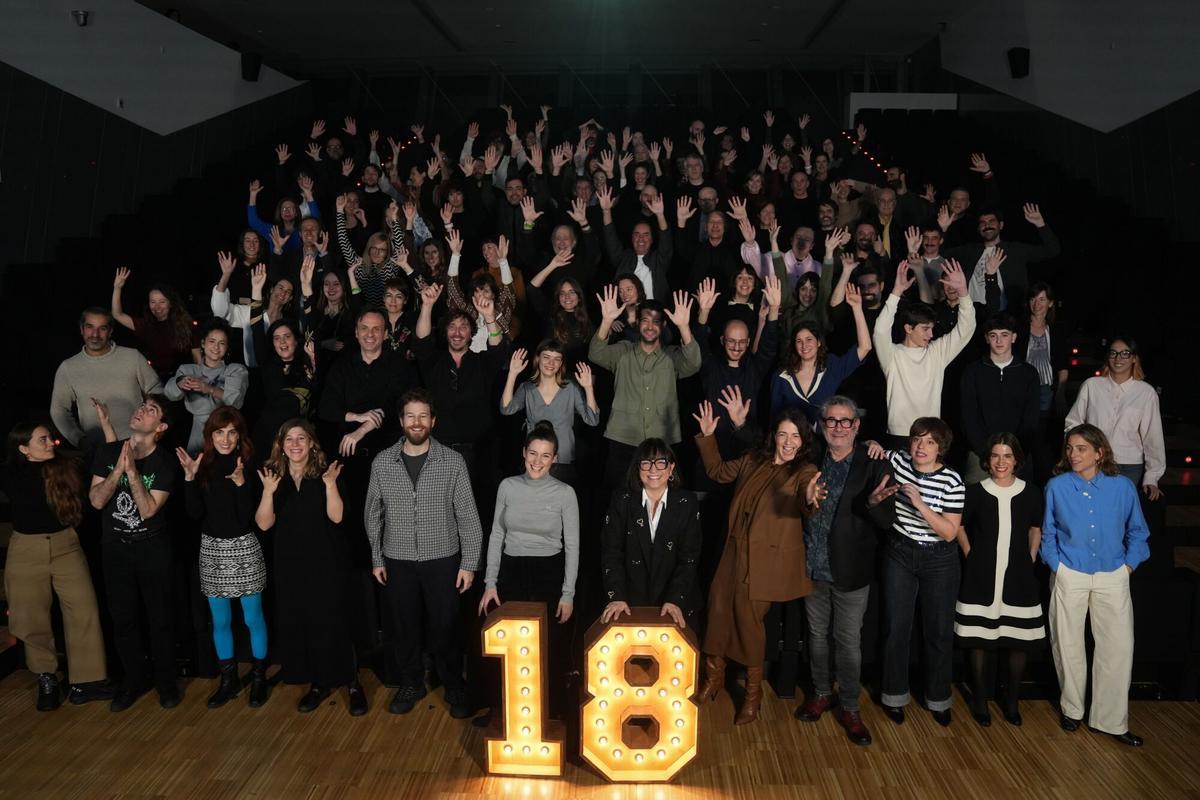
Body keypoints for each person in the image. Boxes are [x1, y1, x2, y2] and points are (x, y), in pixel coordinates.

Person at [692, 403, 820, 725]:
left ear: (804, 441)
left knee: (749, 622)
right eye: (783, 434)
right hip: (732, 551)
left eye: (795, 436)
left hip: (766, 561)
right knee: (718, 610)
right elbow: (718, 472)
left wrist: (813, 494)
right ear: (773, 437)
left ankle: (752, 696)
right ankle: (714, 680)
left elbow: (808, 498)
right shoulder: (753, 460)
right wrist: (708, 437)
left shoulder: (803, 472)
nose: (788, 442)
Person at [364, 389, 483, 719]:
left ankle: (452, 684)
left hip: (443, 558)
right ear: (402, 421)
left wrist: (469, 563)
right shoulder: (383, 463)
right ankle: (412, 682)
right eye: (411, 416)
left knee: (445, 626)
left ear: (433, 421)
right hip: (397, 559)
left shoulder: (452, 462)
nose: (417, 422)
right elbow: (373, 513)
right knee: (404, 627)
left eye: (423, 416)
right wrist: (377, 557)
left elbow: (468, 516)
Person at [1042, 424, 1149, 747]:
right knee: (1068, 644)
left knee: (1117, 650)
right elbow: (1047, 533)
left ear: (1100, 452)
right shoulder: (1057, 487)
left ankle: (1111, 721)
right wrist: (1058, 567)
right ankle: (1072, 710)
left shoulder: (1122, 487)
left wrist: (1127, 566)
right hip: (1069, 573)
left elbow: (1138, 531)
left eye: (1081, 449)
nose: (1073, 455)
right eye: (1070, 449)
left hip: (1112, 574)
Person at [791, 396, 890, 746]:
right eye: (831, 421)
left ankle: (849, 707)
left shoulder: (873, 462)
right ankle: (820, 693)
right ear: (822, 425)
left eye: (845, 421)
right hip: (811, 567)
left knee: (848, 643)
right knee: (816, 637)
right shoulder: (810, 457)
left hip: (851, 571)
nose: (838, 427)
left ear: (857, 426)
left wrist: (875, 505)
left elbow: (887, 521)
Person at [254, 419, 367, 715]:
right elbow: (264, 524)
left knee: (335, 622)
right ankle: (318, 683)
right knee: (305, 624)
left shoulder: (327, 473)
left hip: (328, 563)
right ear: (281, 445)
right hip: (291, 566)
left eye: (301, 439)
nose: (295, 445)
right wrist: (267, 492)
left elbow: (338, 517)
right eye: (289, 439)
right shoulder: (272, 477)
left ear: (311, 443)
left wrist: (330, 486)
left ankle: (353, 683)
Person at [5, 422, 111, 711]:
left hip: (66, 546)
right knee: (30, 617)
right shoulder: (10, 473)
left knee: (83, 609)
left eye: (50, 438)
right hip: (26, 549)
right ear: (23, 448)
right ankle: (46, 677)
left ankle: (86, 681)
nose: (51, 443)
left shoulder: (67, 467)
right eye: (42, 440)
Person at [478, 422, 580, 712]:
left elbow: (573, 545)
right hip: (511, 571)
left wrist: (568, 593)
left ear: (555, 459)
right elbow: (497, 535)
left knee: (547, 645)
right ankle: (508, 710)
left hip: (549, 572)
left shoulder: (565, 493)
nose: (537, 461)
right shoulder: (507, 486)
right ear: (523, 453)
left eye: (545, 455)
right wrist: (490, 583)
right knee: (511, 644)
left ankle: (548, 710)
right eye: (532, 453)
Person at [87, 394, 178, 712]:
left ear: (161, 426)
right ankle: (134, 680)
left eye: (150, 410)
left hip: (152, 550)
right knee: (124, 620)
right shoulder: (109, 451)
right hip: (115, 551)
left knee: (160, 619)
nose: (141, 411)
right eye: (141, 406)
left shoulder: (165, 462)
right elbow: (97, 501)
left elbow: (149, 509)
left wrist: (132, 471)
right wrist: (118, 469)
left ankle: (166, 684)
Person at [874, 417, 965, 727]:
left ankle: (938, 698)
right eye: (916, 440)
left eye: (929, 442)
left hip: (939, 558)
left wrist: (920, 503)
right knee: (895, 626)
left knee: (938, 631)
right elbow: (873, 450)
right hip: (899, 551)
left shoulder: (952, 480)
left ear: (940, 447)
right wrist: (871, 445)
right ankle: (893, 696)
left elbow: (950, 532)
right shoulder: (898, 460)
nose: (920, 447)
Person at [176, 408, 270, 708]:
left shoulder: (251, 464)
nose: (226, 439)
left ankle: (258, 679)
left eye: (232, 432)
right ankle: (228, 681)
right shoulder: (203, 464)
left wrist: (242, 485)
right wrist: (190, 478)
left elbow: (248, 519)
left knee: (253, 618)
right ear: (210, 435)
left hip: (243, 546)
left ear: (239, 434)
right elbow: (194, 514)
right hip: (212, 548)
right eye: (219, 432)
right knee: (220, 621)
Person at [954, 433, 1046, 728]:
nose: (1001, 462)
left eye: (1007, 456)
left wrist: (1031, 556)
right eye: (995, 456)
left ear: (1016, 459)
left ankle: (1011, 701)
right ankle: (980, 701)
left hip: (1018, 573)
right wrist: (970, 553)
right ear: (987, 460)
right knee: (980, 639)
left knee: (1017, 641)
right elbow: (959, 526)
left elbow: (1035, 528)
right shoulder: (975, 491)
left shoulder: (1031, 492)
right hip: (982, 573)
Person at [589, 286, 701, 488]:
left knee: (658, 500)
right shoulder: (623, 351)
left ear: (664, 324)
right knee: (619, 499)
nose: (650, 326)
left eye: (656, 321)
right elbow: (596, 354)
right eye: (645, 321)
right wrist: (606, 321)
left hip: (662, 440)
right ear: (638, 323)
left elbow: (694, 363)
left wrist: (684, 327)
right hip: (623, 440)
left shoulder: (672, 356)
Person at [599, 438, 703, 628]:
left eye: (660, 462)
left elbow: (689, 558)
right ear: (638, 469)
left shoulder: (687, 503)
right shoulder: (621, 500)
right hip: (628, 603)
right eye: (646, 463)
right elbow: (611, 553)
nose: (653, 470)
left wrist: (674, 600)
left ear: (671, 468)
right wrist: (618, 596)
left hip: (675, 603)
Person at [873, 260, 975, 447]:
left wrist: (963, 293)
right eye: (925, 329)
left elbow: (966, 328)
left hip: (931, 434)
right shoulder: (893, 355)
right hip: (899, 435)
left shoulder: (937, 352)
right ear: (908, 328)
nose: (931, 334)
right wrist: (895, 293)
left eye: (932, 328)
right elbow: (880, 331)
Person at [50, 308, 162, 458]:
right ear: (82, 330)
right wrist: (79, 439)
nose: (95, 335)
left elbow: (157, 393)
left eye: (102, 329)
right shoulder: (68, 367)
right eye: (90, 327)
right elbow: (59, 410)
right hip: (96, 450)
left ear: (110, 332)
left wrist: (150, 433)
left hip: (137, 447)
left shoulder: (132, 357)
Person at [1065, 336, 1165, 501]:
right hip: (1091, 462)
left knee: (1117, 515)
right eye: (1113, 353)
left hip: (1128, 466)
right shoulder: (1091, 385)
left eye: (1125, 353)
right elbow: (1073, 423)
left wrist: (1152, 477)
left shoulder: (1146, 393)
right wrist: (1078, 453)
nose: (1118, 358)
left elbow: (1152, 438)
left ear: (1134, 358)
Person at [771, 283, 872, 427]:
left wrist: (857, 308)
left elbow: (865, 347)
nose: (804, 345)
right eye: (799, 341)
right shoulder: (781, 376)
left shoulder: (831, 367)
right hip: (791, 444)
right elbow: (774, 420)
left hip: (823, 444)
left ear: (819, 343)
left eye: (809, 339)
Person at [500, 342, 599, 484]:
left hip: (562, 460)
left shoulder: (570, 388)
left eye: (557, 359)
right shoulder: (527, 388)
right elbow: (506, 409)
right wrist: (512, 374)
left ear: (561, 363)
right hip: (535, 460)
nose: (551, 362)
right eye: (546, 357)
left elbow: (592, 420)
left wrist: (589, 388)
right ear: (538, 359)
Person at [958, 314, 1041, 484]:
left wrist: (1017, 452)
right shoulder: (972, 372)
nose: (999, 340)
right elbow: (968, 417)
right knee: (976, 503)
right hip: (980, 454)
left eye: (1004, 334)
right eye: (993, 335)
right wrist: (986, 453)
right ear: (987, 339)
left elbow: (1031, 418)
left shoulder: (1028, 373)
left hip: (1019, 454)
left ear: (1013, 337)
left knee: (1020, 505)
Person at [164, 320, 249, 454]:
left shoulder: (235, 370)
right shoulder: (188, 370)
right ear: (203, 343)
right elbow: (170, 394)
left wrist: (209, 389)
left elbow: (235, 401)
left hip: (226, 432)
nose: (216, 347)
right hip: (198, 432)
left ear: (227, 347)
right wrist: (180, 383)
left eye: (222, 343)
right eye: (212, 341)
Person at [110, 268, 199, 380]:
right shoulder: (146, 325)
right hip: (155, 379)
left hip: (182, 380)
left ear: (170, 303)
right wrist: (117, 288)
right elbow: (117, 314)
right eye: (153, 302)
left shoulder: (187, 325)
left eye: (162, 302)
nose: (157, 307)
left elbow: (197, 358)